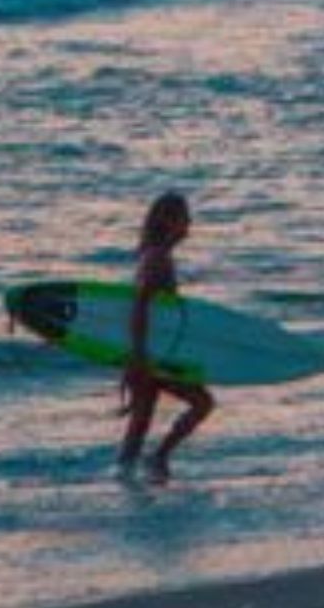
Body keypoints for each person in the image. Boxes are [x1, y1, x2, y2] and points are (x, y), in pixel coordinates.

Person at [116, 191, 215, 484]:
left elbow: (156, 312)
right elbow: (139, 306)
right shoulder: (158, 258)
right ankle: (158, 457)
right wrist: (139, 357)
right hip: (152, 355)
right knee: (202, 403)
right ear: (169, 221)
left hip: (152, 352)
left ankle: (123, 478)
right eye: (185, 218)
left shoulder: (154, 255)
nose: (189, 224)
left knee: (140, 423)